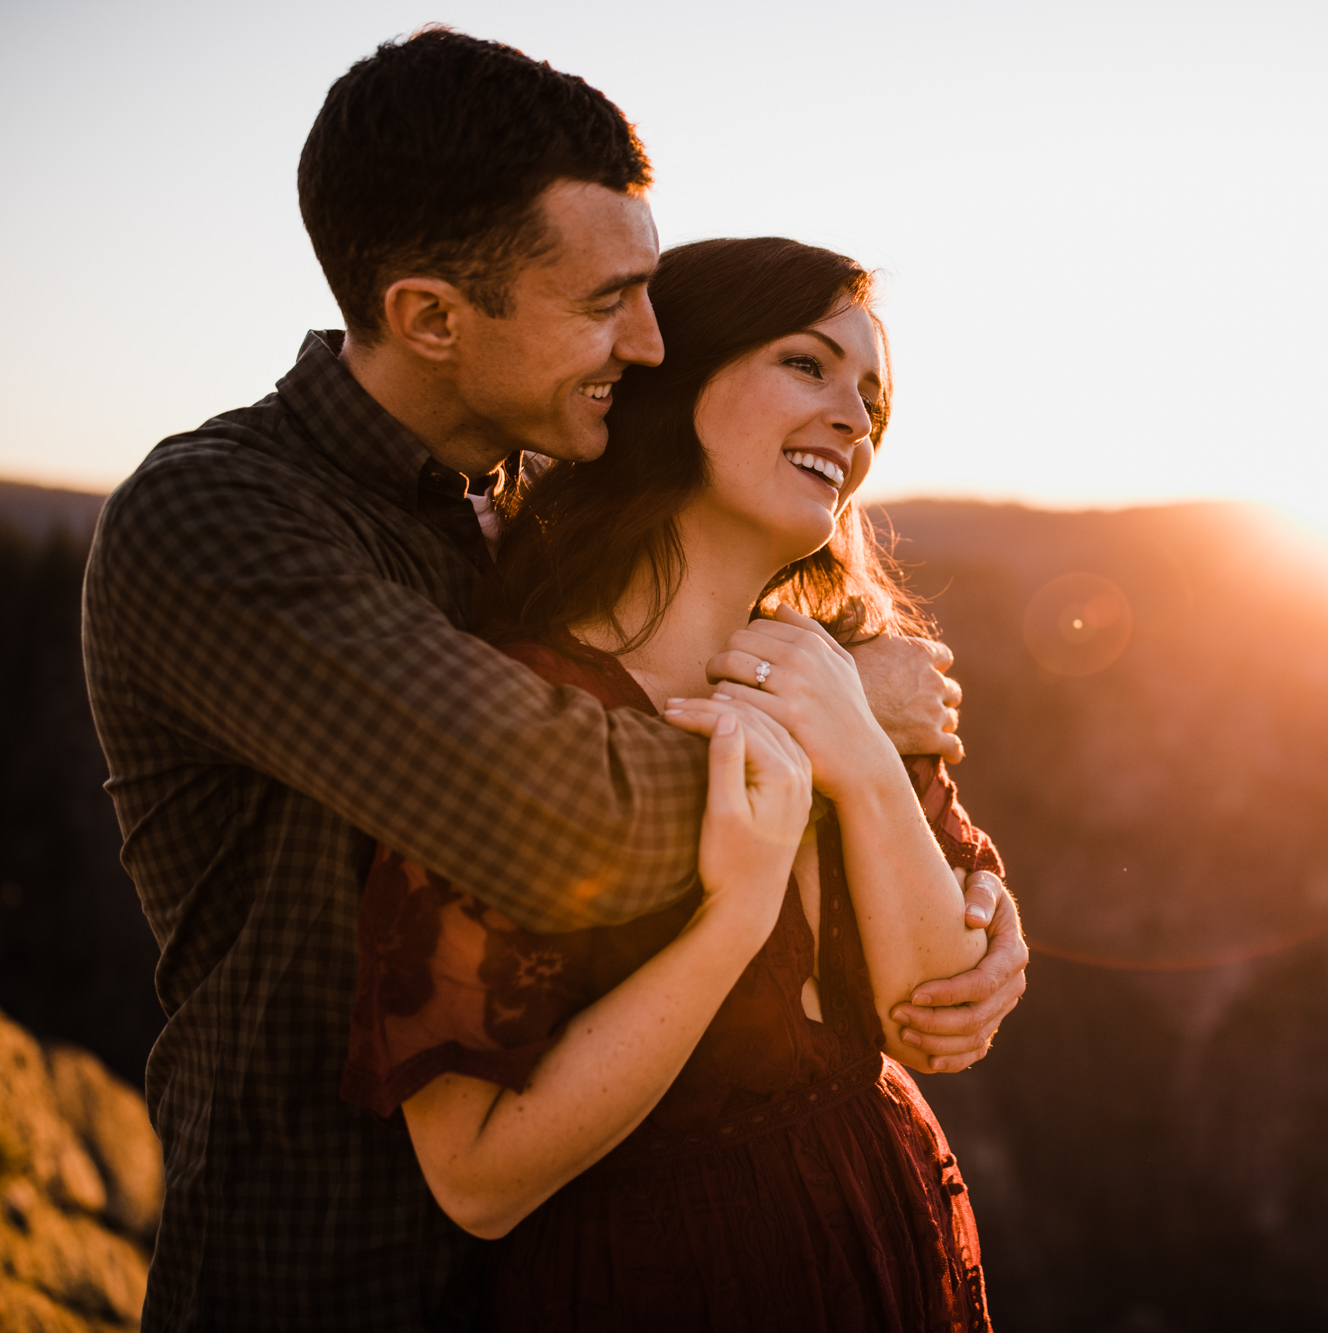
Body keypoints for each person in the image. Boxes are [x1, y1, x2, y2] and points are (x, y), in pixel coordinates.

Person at [80, 30, 1024, 1331]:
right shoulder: (224, 522)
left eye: (648, 291)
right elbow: (558, 810)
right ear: (429, 316)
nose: (647, 343)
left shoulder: (533, 504)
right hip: (333, 1269)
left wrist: (954, 875)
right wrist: (840, 735)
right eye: (604, 302)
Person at [345, 236, 998, 1330]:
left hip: (884, 1256)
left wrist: (859, 753)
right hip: (658, 1284)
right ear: (676, 376)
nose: (855, 417)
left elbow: (930, 1016)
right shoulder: (521, 717)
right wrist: (732, 916)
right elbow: (475, 1177)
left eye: (871, 397)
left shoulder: (845, 669)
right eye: (806, 363)